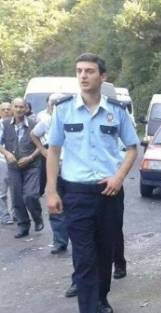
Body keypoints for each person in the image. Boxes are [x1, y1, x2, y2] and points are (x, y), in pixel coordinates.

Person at [46, 53, 139, 313]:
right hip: (76, 193)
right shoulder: (64, 109)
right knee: (84, 256)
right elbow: (53, 151)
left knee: (105, 251)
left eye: (89, 71)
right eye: (79, 71)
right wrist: (51, 191)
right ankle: (89, 308)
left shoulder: (116, 111)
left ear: (102, 76)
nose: (83, 76)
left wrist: (119, 177)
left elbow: (132, 148)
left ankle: (100, 298)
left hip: (109, 192)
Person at [0, 98, 43, 238]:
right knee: (17, 198)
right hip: (13, 167)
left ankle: (37, 218)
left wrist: (30, 157)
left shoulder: (34, 124)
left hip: (32, 165)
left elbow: (42, 145)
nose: (19, 109)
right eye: (16, 107)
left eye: (22, 107)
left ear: (26, 109)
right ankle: (23, 225)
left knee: (30, 195)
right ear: (12, 108)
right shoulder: (4, 124)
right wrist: (6, 153)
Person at [31, 93, 68, 253]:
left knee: (76, 204)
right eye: (54, 104)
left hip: (75, 170)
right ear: (50, 106)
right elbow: (33, 134)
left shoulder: (76, 119)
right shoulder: (46, 121)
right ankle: (60, 241)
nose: (56, 107)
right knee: (55, 203)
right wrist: (42, 151)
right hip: (55, 169)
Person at [0, 102, 12, 225]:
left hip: (14, 161)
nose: (6, 111)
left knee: (15, 190)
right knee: (2, 191)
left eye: (8, 109)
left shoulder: (14, 124)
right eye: (3, 109)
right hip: (1, 161)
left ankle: (15, 214)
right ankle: (4, 215)